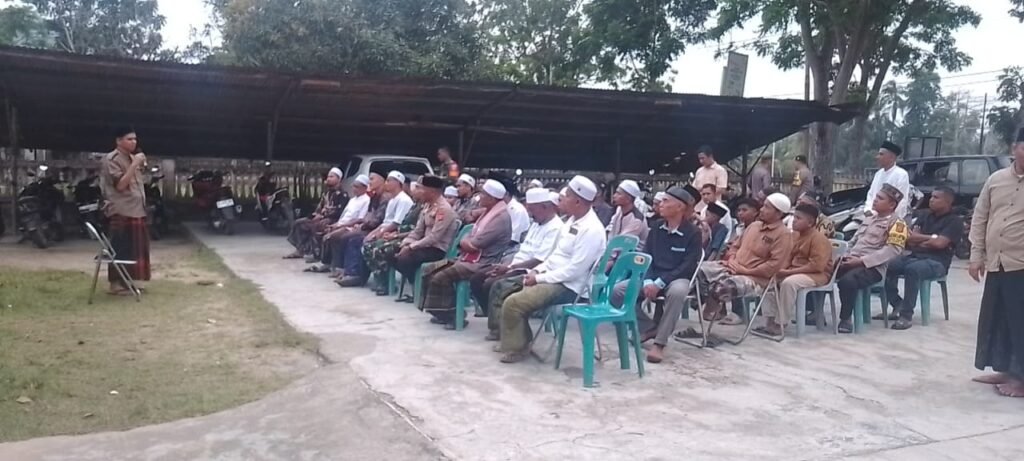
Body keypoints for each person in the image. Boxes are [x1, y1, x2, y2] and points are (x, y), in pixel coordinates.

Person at [497, 176, 607, 363]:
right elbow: (556, 256)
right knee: (505, 287)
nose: (560, 200)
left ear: (578, 201)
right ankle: (519, 340)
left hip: (571, 287)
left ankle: (518, 347)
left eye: (566, 197)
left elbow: (574, 271)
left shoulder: (592, 229)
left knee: (513, 303)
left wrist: (539, 279)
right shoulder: (571, 221)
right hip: (554, 277)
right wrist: (537, 271)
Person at [609, 186, 702, 363]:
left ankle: (659, 343)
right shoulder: (657, 227)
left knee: (678, 292)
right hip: (652, 274)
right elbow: (646, 256)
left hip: (676, 277)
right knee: (616, 292)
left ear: (680, 207)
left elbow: (688, 265)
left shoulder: (693, 232)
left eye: (666, 201)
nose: (660, 204)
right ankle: (650, 326)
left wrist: (659, 283)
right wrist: (648, 280)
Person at [969, 127, 1024, 398]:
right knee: (997, 318)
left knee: (1020, 321)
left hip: (1021, 264)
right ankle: (1005, 369)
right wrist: (976, 255)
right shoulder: (996, 179)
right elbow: (980, 218)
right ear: (1015, 148)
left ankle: (1021, 379)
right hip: (997, 262)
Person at [420, 179, 512, 328]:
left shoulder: (500, 218)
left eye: (482, 194)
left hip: (484, 262)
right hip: (469, 258)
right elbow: (469, 239)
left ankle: (454, 316)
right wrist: (467, 240)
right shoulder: (488, 212)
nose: (479, 197)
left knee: (441, 276)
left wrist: (466, 241)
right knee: (430, 270)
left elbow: (475, 244)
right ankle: (440, 312)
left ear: (492, 198)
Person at [473, 189, 563, 340]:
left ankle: (499, 329)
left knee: (494, 284)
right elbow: (522, 250)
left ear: (545, 207)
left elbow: (539, 260)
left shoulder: (556, 227)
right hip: (516, 264)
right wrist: (507, 264)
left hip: (531, 270)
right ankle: (498, 319)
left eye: (533, 210)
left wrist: (509, 268)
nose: (531, 214)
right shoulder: (537, 223)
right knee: (477, 278)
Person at [875, 186, 963, 330]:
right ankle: (897, 304)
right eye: (932, 196)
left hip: (937, 262)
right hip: (915, 255)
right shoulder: (924, 216)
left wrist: (924, 239)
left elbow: (940, 244)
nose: (931, 200)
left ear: (947, 202)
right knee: (887, 264)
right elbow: (909, 238)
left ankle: (906, 316)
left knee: (913, 269)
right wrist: (931, 239)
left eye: (936, 197)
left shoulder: (954, 222)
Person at [695, 193, 793, 322]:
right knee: (696, 270)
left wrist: (745, 271)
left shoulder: (783, 235)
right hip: (732, 268)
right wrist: (731, 260)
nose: (762, 209)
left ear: (779, 214)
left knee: (721, 288)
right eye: (763, 206)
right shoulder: (754, 226)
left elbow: (773, 266)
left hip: (755, 278)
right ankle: (708, 308)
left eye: (767, 207)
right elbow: (734, 247)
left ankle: (711, 313)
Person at [835, 184, 908, 334]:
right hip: (851, 260)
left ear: (892, 205)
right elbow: (853, 241)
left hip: (872, 268)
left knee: (848, 281)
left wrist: (861, 261)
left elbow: (892, 250)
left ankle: (846, 319)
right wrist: (845, 255)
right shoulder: (868, 219)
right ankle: (813, 312)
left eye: (880, 198)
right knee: (818, 269)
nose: (875, 200)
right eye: (876, 197)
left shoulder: (898, 224)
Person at [757, 204, 833, 337]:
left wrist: (788, 272)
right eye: (794, 217)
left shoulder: (819, 239)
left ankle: (781, 323)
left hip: (816, 275)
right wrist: (781, 269)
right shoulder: (795, 236)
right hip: (795, 271)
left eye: (798, 218)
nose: (794, 221)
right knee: (769, 280)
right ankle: (769, 320)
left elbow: (817, 266)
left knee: (789, 283)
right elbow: (788, 256)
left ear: (810, 223)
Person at [336, 171, 415, 287]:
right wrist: (375, 232)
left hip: (395, 233)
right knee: (360, 240)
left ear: (398, 183)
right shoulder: (392, 199)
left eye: (389, 181)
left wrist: (379, 233)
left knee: (361, 242)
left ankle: (371, 279)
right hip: (386, 230)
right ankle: (355, 274)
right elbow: (384, 222)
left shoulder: (403, 199)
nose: (386, 183)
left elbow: (396, 223)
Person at [99, 126, 151, 295]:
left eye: (135, 139)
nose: (134, 142)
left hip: (137, 209)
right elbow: (121, 185)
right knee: (120, 247)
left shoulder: (132, 157)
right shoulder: (111, 159)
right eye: (129, 139)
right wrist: (134, 164)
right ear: (119, 141)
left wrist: (139, 164)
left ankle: (131, 280)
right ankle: (116, 284)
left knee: (137, 247)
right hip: (121, 209)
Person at [392, 176, 459, 301]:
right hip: (424, 245)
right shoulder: (428, 206)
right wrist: (406, 243)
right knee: (391, 251)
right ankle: (416, 287)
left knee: (405, 258)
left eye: (422, 189)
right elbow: (418, 231)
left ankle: (418, 290)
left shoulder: (444, 209)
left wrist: (411, 247)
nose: (419, 191)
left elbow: (434, 237)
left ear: (432, 191)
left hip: (437, 249)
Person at [305, 174, 374, 273]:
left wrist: (341, 226)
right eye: (353, 186)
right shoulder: (353, 200)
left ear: (364, 187)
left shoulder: (366, 200)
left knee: (333, 237)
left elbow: (360, 219)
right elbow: (344, 215)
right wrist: (337, 224)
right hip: (342, 224)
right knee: (323, 231)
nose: (354, 189)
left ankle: (337, 266)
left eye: (357, 187)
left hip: (352, 226)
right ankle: (326, 262)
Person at [363, 183, 424, 296]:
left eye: (418, 188)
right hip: (402, 235)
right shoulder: (416, 205)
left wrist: (396, 235)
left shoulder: (424, 207)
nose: (414, 191)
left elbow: (417, 231)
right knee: (369, 246)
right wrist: (394, 234)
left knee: (381, 249)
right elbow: (404, 224)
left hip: (411, 239)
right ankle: (381, 280)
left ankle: (387, 284)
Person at [285, 167, 346, 260]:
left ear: (339, 179)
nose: (328, 179)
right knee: (299, 223)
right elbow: (319, 207)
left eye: (331, 177)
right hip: (321, 217)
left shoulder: (342, 194)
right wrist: (314, 215)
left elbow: (339, 211)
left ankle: (316, 253)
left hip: (332, 219)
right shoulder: (326, 193)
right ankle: (300, 250)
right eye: (328, 177)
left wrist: (323, 216)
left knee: (318, 225)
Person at [864, 141, 910, 219]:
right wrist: (869, 210)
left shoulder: (901, 174)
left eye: (881, 154)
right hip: (873, 217)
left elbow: (901, 201)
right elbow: (871, 195)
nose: (877, 157)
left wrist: (887, 218)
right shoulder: (878, 174)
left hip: (890, 220)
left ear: (892, 157)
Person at [607, 179, 650, 246]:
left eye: (618, 194)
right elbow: (611, 228)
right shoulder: (619, 209)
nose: (614, 196)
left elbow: (622, 242)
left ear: (628, 199)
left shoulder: (636, 220)